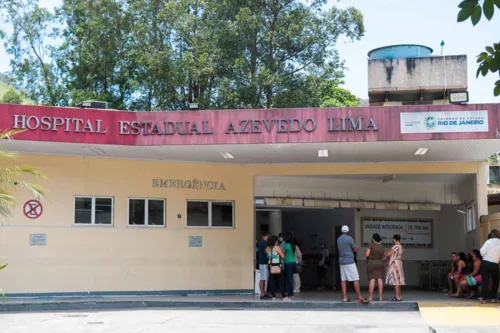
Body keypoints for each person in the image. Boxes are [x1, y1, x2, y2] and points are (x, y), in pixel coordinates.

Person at [337, 225, 367, 303]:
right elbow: (354, 248)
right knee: (355, 278)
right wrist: (356, 248)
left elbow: (344, 249)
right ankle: (359, 297)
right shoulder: (349, 238)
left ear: (341, 231)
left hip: (341, 261)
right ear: (347, 231)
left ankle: (345, 297)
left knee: (343, 279)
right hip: (349, 261)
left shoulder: (338, 239)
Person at [479, 229, 500, 304]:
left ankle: (483, 299)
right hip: (494, 264)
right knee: (495, 281)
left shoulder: (488, 242)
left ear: (491, 234)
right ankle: (494, 298)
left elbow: (481, 252)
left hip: (485, 263)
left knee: (485, 281)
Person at [385, 234, 405, 301]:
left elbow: (388, 254)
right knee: (398, 281)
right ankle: (399, 296)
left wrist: (385, 253)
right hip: (399, 263)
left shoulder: (395, 247)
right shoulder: (401, 246)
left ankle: (397, 297)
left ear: (394, 239)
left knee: (395, 281)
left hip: (394, 264)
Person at [365, 233, 385, 301]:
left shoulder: (371, 245)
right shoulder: (382, 246)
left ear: (373, 239)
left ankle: (370, 297)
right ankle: (380, 297)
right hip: (380, 263)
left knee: (372, 279)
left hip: (371, 263)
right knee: (380, 279)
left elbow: (367, 254)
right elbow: (383, 256)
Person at [266, 235, 285, 300]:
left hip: (270, 266)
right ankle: (283, 295)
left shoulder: (267, 248)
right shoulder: (277, 247)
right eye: (277, 240)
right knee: (281, 281)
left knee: (272, 281)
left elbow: (268, 257)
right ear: (275, 241)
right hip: (277, 265)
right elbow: (283, 256)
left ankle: (273, 296)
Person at [282, 233, 297, 300]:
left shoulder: (286, 245)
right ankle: (291, 294)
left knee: (289, 279)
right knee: (291, 278)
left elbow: (282, 254)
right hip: (293, 262)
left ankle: (290, 295)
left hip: (288, 263)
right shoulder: (293, 245)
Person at [257, 232, 271, 300]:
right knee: (262, 279)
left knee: (264, 278)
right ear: (265, 236)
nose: (268, 238)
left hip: (263, 263)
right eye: (268, 236)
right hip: (263, 263)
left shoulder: (261, 242)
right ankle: (262, 294)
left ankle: (264, 293)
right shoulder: (263, 242)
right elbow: (267, 251)